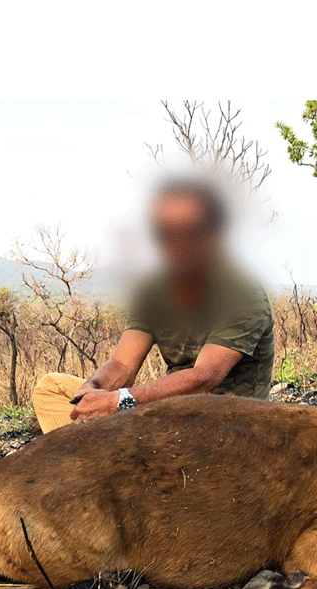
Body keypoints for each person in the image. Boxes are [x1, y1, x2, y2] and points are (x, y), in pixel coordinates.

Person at [31, 178, 274, 434]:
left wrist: (120, 401)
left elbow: (204, 380)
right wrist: (94, 389)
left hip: (226, 422)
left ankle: (100, 456)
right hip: (168, 410)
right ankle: (102, 453)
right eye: (166, 231)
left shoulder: (243, 294)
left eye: (190, 230)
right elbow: (123, 366)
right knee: (51, 388)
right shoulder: (153, 290)